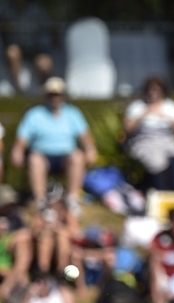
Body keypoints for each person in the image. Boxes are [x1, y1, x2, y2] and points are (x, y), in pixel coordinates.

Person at [11, 77, 98, 216]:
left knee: (77, 156)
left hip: (66, 156)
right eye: (52, 94)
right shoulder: (34, 114)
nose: (55, 97)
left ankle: (72, 199)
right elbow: (22, 139)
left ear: (63, 95)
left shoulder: (73, 113)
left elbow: (86, 137)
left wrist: (90, 149)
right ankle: (40, 201)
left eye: (58, 94)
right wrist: (17, 151)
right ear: (46, 95)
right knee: (34, 158)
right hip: (42, 155)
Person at [122, 75, 174, 192]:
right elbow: (127, 130)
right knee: (157, 160)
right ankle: (161, 190)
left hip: (167, 138)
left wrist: (167, 117)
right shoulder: (137, 106)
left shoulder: (170, 106)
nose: (153, 93)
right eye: (150, 90)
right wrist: (143, 115)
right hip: (144, 140)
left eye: (156, 90)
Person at [0, 0, 54, 93]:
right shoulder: (4, 9)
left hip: (36, 50)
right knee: (12, 53)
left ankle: (43, 93)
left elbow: (47, 30)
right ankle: (18, 91)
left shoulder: (37, 9)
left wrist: (44, 49)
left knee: (45, 63)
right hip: (15, 47)